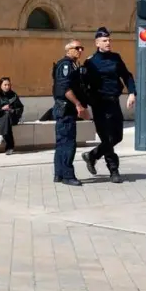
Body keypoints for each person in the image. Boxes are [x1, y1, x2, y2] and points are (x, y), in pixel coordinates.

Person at [81, 27, 136, 183]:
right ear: (97, 43)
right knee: (107, 137)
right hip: (99, 104)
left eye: (109, 40)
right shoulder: (90, 62)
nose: (108, 42)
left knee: (117, 136)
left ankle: (92, 155)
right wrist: (85, 104)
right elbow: (84, 85)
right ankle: (114, 171)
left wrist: (132, 93)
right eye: (104, 40)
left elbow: (127, 76)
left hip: (113, 102)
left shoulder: (115, 58)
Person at [52, 40, 91, 186]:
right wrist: (78, 104)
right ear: (68, 50)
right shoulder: (66, 64)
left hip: (65, 109)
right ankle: (67, 175)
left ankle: (59, 174)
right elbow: (65, 88)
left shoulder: (74, 65)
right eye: (77, 48)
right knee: (68, 143)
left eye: (82, 48)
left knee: (62, 143)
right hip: (65, 108)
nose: (80, 50)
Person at [0, 77, 24, 155]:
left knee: (8, 115)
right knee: (6, 118)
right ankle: (10, 146)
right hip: (0, 117)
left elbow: (20, 108)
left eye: (8, 85)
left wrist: (12, 110)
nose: (7, 86)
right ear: (1, 86)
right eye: (5, 85)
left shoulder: (13, 95)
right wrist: (2, 109)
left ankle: (3, 134)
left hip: (13, 117)